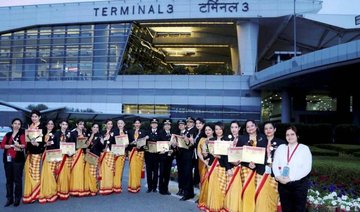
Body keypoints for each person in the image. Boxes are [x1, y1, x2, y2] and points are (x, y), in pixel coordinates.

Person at [272, 126, 312, 212]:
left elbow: (307, 168)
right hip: (283, 184)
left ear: (297, 135)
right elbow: (275, 163)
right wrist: (278, 176)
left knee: (299, 209)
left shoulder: (304, 148)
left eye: (292, 134)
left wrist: (291, 178)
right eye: (287, 135)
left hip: (299, 185)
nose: (290, 137)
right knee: (286, 209)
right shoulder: (281, 148)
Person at [255, 122, 286, 211]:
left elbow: (284, 160)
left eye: (270, 128)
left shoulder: (281, 143)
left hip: (274, 174)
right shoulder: (260, 142)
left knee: (273, 196)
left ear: (274, 129)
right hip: (261, 172)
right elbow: (256, 157)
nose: (268, 130)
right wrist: (253, 164)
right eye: (266, 129)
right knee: (260, 196)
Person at [237, 120, 268, 212]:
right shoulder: (242, 138)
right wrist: (248, 164)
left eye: (252, 126)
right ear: (245, 129)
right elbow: (238, 153)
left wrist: (256, 164)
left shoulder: (263, 137)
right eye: (248, 127)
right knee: (247, 190)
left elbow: (265, 154)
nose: (250, 128)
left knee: (258, 191)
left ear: (256, 126)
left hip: (259, 168)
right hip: (246, 169)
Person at [1, 118, 26, 207]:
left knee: (17, 180)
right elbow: (2, 145)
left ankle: (17, 199)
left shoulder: (22, 134)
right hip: (8, 160)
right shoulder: (8, 134)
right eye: (15, 123)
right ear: (12, 125)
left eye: (19, 124)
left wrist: (18, 145)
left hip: (18, 160)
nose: (17, 125)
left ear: (20, 125)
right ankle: (9, 198)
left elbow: (24, 145)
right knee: (9, 180)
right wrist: (11, 145)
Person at [205, 122, 230, 211]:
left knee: (221, 188)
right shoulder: (212, 139)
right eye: (216, 129)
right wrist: (206, 146)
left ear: (223, 129)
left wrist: (220, 157)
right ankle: (212, 206)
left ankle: (219, 207)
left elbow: (228, 156)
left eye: (220, 129)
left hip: (222, 167)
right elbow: (207, 155)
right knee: (212, 187)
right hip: (212, 166)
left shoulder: (227, 140)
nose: (218, 131)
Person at [23, 110, 45, 204]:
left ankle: (35, 194)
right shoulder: (30, 126)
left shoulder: (42, 127)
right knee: (29, 172)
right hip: (29, 152)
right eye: (32, 116)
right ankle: (31, 191)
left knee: (35, 173)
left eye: (36, 116)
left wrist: (37, 144)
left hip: (36, 152)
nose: (34, 118)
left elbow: (43, 142)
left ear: (39, 117)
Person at [224, 121, 243, 212]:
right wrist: (228, 168)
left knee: (239, 189)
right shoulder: (226, 139)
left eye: (236, 127)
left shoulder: (244, 139)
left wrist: (239, 163)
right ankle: (230, 208)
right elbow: (225, 155)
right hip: (230, 168)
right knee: (230, 188)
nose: (234, 129)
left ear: (239, 128)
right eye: (232, 127)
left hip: (241, 168)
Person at [39, 120, 58, 203]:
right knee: (45, 173)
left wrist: (52, 144)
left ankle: (52, 192)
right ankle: (45, 190)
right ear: (46, 125)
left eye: (52, 124)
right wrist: (45, 145)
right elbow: (40, 145)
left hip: (53, 155)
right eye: (49, 124)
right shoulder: (42, 134)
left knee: (51, 173)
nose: (50, 125)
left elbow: (58, 145)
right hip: (44, 154)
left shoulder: (56, 134)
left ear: (53, 126)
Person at [127, 118, 148, 193]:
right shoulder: (130, 132)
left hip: (140, 152)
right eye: (136, 123)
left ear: (140, 124)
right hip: (132, 152)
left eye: (138, 123)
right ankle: (132, 186)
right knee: (132, 169)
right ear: (134, 124)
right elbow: (127, 143)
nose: (137, 124)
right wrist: (131, 143)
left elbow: (145, 143)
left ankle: (137, 186)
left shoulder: (144, 132)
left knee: (138, 169)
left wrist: (141, 145)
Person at [84, 123, 104, 196]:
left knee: (93, 173)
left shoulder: (100, 136)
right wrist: (86, 149)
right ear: (91, 128)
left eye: (97, 127)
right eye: (94, 127)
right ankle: (87, 188)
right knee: (87, 172)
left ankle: (93, 189)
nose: (95, 128)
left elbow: (102, 147)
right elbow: (84, 145)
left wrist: (102, 142)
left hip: (95, 156)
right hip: (87, 156)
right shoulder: (88, 135)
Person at [196, 124, 213, 210]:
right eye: (206, 130)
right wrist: (204, 161)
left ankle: (211, 200)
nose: (207, 132)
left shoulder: (216, 140)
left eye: (209, 130)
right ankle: (203, 199)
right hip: (203, 164)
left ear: (213, 131)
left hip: (214, 165)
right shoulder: (202, 139)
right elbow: (199, 152)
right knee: (203, 182)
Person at [69, 120, 88, 197]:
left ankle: (80, 188)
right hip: (76, 153)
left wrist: (86, 145)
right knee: (75, 170)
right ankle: (74, 189)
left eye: (83, 124)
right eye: (80, 124)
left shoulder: (84, 133)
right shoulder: (73, 133)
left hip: (82, 154)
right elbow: (71, 143)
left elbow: (86, 144)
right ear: (76, 124)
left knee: (81, 170)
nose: (82, 126)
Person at [55, 120, 72, 200]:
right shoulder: (57, 134)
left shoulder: (70, 134)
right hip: (60, 156)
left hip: (67, 156)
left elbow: (73, 144)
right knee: (60, 173)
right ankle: (59, 190)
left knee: (67, 173)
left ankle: (66, 190)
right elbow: (55, 145)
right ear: (60, 125)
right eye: (63, 124)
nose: (64, 126)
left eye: (66, 124)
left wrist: (70, 152)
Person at [99, 119, 115, 195]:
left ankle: (109, 187)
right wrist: (103, 143)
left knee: (110, 170)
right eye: (108, 124)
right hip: (103, 153)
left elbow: (116, 143)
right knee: (103, 170)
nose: (110, 125)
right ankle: (103, 187)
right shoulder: (101, 133)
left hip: (111, 154)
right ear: (105, 125)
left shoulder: (114, 132)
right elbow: (99, 143)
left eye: (111, 124)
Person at [158, 119, 174, 195]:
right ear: (164, 126)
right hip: (162, 156)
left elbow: (174, 145)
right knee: (162, 173)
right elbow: (158, 144)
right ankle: (161, 188)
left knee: (167, 173)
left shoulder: (173, 134)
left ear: (170, 126)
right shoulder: (160, 133)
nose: (167, 126)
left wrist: (173, 148)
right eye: (166, 125)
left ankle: (166, 188)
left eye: (168, 125)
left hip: (170, 156)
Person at [112, 119, 128, 193]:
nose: (120, 124)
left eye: (121, 123)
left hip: (122, 153)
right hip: (115, 153)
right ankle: (113, 185)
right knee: (114, 170)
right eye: (118, 123)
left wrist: (127, 145)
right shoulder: (114, 131)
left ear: (124, 124)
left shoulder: (127, 132)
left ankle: (118, 185)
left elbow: (129, 142)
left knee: (120, 170)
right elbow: (111, 142)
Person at [145, 118, 160, 193]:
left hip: (157, 155)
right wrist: (145, 147)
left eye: (155, 123)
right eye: (152, 123)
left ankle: (154, 187)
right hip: (148, 155)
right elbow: (143, 143)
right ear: (151, 124)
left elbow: (162, 143)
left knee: (156, 172)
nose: (154, 124)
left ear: (157, 124)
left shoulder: (160, 132)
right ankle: (149, 187)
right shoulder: (146, 132)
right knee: (149, 171)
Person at [175, 119, 186, 196]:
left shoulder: (188, 133)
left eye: (182, 124)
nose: (180, 126)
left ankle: (185, 189)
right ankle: (180, 189)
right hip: (179, 156)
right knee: (180, 173)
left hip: (186, 156)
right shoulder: (176, 134)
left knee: (185, 174)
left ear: (185, 125)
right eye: (179, 125)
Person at [193, 118, 205, 188]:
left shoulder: (204, 133)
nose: (198, 125)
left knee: (201, 174)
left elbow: (201, 145)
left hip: (202, 156)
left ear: (203, 124)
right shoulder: (197, 132)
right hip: (196, 155)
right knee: (198, 174)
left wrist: (193, 142)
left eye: (199, 123)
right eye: (196, 123)